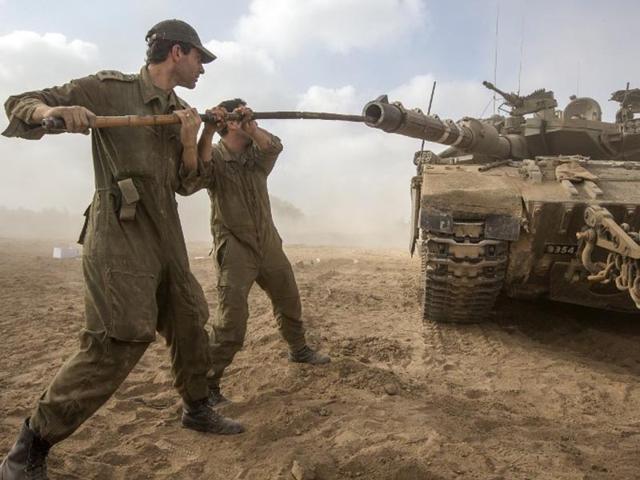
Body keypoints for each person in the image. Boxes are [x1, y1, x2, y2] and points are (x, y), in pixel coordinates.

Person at [0, 19, 243, 480]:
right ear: (176, 53)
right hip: (120, 230)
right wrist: (58, 111)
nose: (203, 69)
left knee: (190, 317)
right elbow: (20, 103)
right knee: (118, 339)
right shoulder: (109, 90)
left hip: (165, 230)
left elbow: (186, 183)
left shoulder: (182, 110)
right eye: (199, 59)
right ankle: (29, 447)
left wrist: (201, 137)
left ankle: (196, 408)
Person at [184, 98, 331, 408]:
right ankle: (208, 384)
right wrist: (208, 130)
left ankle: (299, 350)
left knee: (288, 298)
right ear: (228, 124)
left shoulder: (256, 156)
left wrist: (252, 128)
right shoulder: (217, 157)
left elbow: (274, 147)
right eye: (241, 114)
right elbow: (197, 173)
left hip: (267, 241)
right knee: (231, 323)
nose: (247, 119)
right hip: (235, 245)